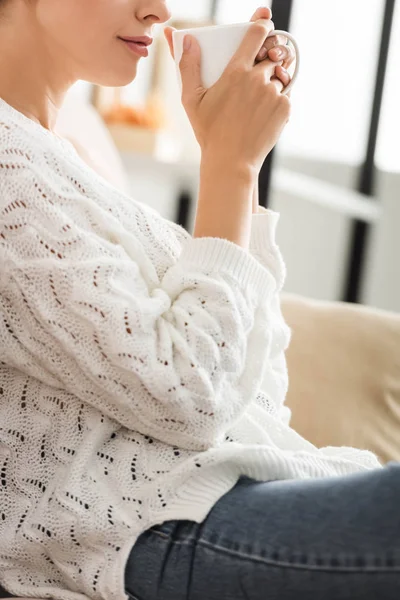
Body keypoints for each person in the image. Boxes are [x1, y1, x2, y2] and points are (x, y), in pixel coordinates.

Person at [0, 2, 398, 599]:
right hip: (148, 532)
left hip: (218, 499)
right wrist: (227, 166)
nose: (157, 9)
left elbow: (256, 392)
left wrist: (243, 168)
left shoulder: (67, 163)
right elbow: (190, 399)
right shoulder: (11, 173)